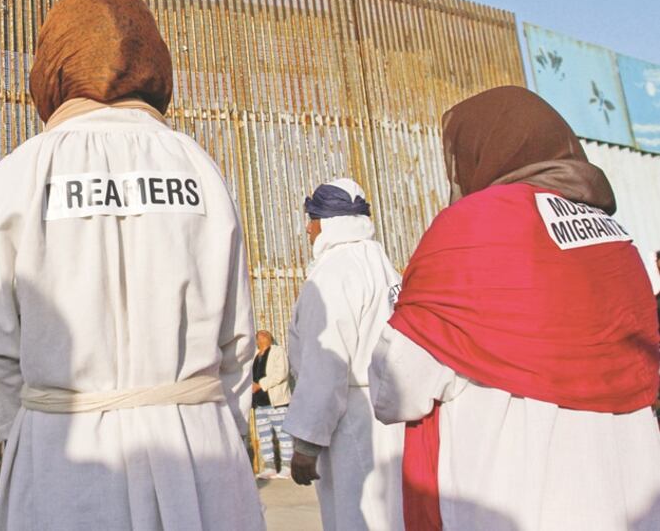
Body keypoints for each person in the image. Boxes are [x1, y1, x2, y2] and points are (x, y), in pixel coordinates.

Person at [0, 0, 264, 531]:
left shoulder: (16, 177)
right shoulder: (199, 169)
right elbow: (238, 340)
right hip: (198, 459)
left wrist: (27, 436)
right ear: (154, 58)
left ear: (52, 64)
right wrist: (207, 426)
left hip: (65, 461)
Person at [369, 86, 660, 530]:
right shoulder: (615, 237)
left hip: (515, 492)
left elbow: (399, 385)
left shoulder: (472, 224)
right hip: (625, 493)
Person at [283, 179, 404, 531]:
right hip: (389, 415)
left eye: (313, 218)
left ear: (330, 221)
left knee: (356, 515)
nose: (308, 227)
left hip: (351, 420)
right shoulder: (380, 263)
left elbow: (327, 363)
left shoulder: (335, 272)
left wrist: (306, 443)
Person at [252, 330, 293, 479]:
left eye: (266, 333)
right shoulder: (255, 355)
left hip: (277, 402)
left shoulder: (277, 351)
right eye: (260, 334)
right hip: (260, 404)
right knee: (264, 437)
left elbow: (281, 373)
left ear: (270, 338)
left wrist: (260, 385)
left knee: (283, 435)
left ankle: (288, 467)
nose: (262, 335)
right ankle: (269, 468)